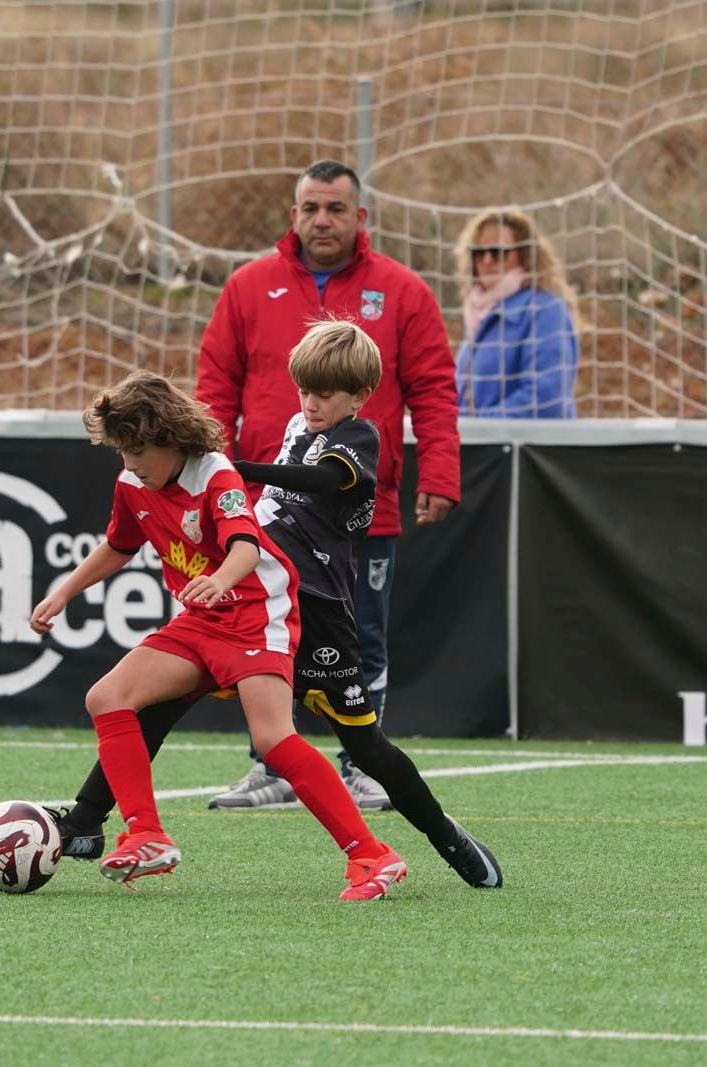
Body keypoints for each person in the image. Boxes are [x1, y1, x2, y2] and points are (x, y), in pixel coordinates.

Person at [49, 321, 502, 890]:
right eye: (304, 391)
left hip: (314, 609)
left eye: (326, 394)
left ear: (359, 397)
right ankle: (95, 822)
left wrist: (235, 470)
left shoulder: (361, 435)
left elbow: (323, 479)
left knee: (365, 745)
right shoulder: (293, 425)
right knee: (149, 705)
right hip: (249, 592)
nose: (311, 404)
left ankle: (444, 836)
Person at [30, 370, 408, 901]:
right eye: (122, 451)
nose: (130, 463)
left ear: (171, 440)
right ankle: (146, 835)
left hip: (256, 611)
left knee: (273, 740)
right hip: (202, 619)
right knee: (107, 697)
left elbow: (246, 549)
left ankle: (372, 856)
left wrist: (219, 580)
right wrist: (64, 593)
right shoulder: (133, 483)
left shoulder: (216, 476)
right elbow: (119, 545)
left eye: (137, 450)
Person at [195, 159, 462, 810]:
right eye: (311, 207)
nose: (322, 219)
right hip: (267, 516)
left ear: (359, 217)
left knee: (361, 631)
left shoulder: (403, 291)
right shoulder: (248, 286)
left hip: (359, 514)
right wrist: (211, 478)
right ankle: (273, 762)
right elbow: (214, 388)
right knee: (268, 633)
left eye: (336, 209)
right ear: (293, 215)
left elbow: (432, 388)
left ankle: (360, 759)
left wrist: (441, 471)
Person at [452, 208, 581, 418]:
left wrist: (476, 431)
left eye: (498, 252)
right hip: (476, 447)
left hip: (524, 449)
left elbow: (547, 399)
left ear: (524, 256)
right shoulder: (478, 318)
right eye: (478, 253)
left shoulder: (545, 310)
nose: (486, 260)